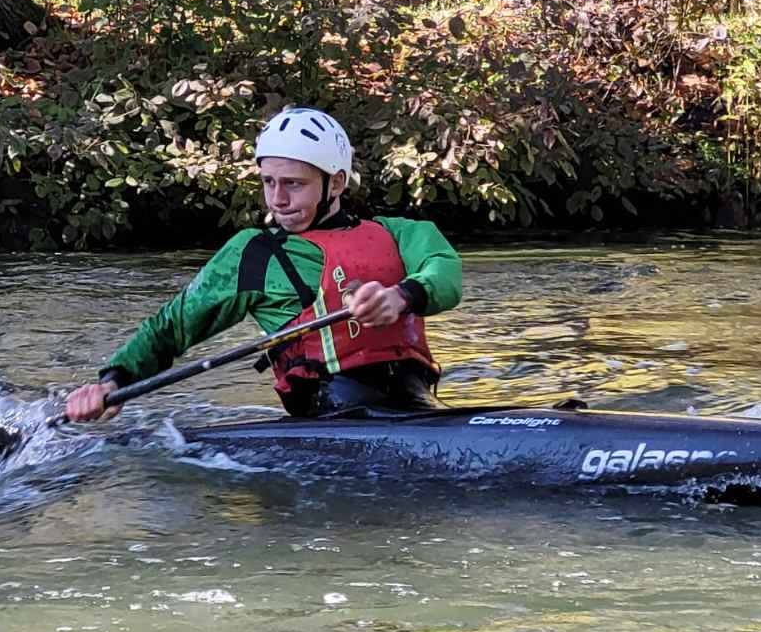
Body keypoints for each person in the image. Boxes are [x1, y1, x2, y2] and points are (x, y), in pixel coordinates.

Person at [63, 108, 462, 422]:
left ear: (336, 184)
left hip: (415, 406)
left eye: (293, 183)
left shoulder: (400, 232)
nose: (277, 199)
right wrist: (112, 382)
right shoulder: (253, 253)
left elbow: (444, 272)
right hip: (330, 417)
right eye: (269, 182)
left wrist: (403, 295)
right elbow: (171, 327)